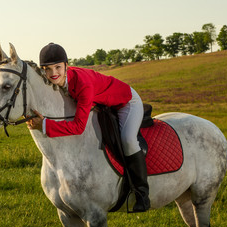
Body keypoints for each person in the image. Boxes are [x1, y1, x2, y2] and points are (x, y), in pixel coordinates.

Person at [27, 43, 150, 212]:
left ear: (66, 66)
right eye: (47, 69)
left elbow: (78, 127)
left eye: (57, 67)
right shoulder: (60, 81)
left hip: (126, 102)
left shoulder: (83, 84)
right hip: (105, 103)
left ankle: (142, 193)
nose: (53, 73)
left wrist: (45, 125)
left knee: (128, 140)